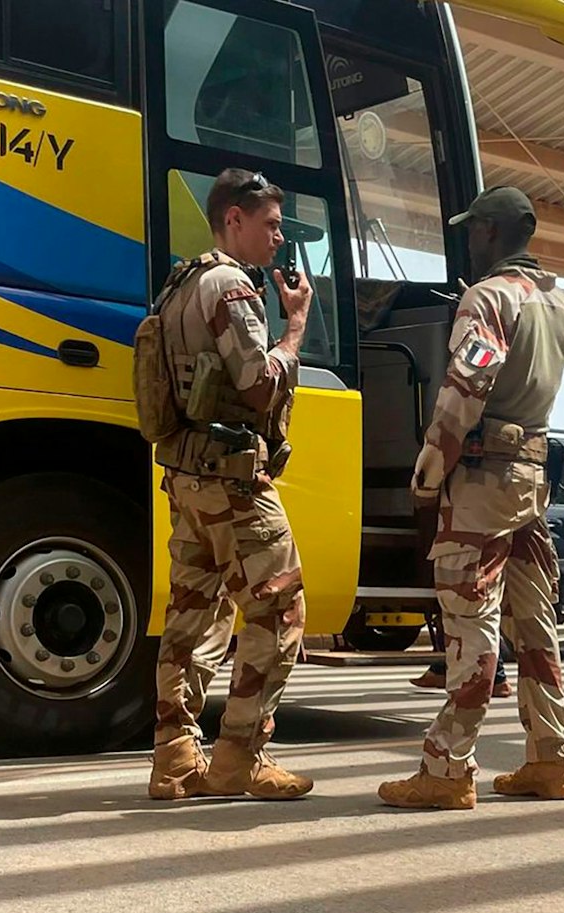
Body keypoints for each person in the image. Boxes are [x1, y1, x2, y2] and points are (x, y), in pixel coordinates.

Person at [379, 186, 564, 810]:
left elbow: (464, 392)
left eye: (475, 231)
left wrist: (428, 470)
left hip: (480, 483)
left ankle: (446, 768)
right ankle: (550, 760)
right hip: (532, 481)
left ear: (494, 233)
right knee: (535, 625)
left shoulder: (489, 299)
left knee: (472, 625)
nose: (469, 241)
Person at [146, 169, 316, 802]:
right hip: (234, 484)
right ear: (233, 221)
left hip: (187, 481)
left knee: (191, 617)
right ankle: (240, 755)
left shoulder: (178, 285)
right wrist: (294, 329)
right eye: (270, 225)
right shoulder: (230, 288)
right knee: (279, 611)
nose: (278, 238)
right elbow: (258, 384)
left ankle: (174, 760)